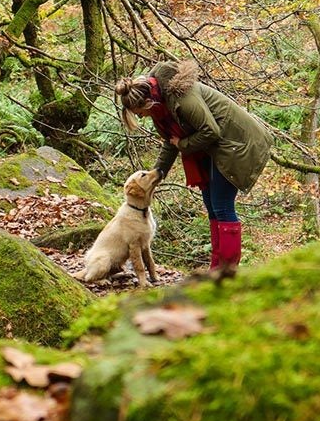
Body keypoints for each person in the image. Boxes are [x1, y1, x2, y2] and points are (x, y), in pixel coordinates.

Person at [115, 60, 273, 271]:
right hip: (215, 148)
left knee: (222, 205)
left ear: (147, 102)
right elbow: (169, 142)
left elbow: (211, 130)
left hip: (236, 144)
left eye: (140, 113)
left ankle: (227, 272)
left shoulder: (182, 98)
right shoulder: (161, 107)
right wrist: (157, 173)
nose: (142, 117)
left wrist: (183, 144)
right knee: (211, 204)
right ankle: (216, 268)